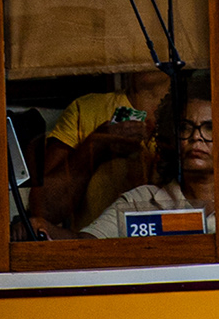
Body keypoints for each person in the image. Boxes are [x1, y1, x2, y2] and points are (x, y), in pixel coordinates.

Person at [39, 64, 171, 228]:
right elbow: (44, 210)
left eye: (156, 43)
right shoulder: (86, 110)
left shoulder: (196, 117)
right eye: (136, 42)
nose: (145, 51)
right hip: (99, 248)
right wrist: (96, 145)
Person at [81, 96, 218, 238]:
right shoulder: (141, 200)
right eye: (184, 127)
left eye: (210, 128)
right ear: (170, 139)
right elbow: (87, 244)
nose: (196, 136)